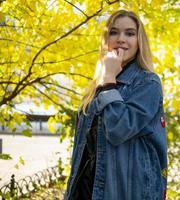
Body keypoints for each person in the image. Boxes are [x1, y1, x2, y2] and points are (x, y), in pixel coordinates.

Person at [64, 10, 167, 200]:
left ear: (139, 41)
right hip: (87, 189)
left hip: (126, 191)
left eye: (129, 33)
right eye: (114, 32)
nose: (121, 39)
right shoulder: (98, 86)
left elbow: (118, 129)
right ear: (106, 39)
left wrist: (109, 79)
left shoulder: (148, 83)